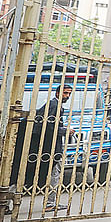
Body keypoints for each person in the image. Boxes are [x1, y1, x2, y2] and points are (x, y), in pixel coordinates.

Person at [34, 84, 74, 213]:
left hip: (46, 146)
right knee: (54, 174)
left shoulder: (54, 105)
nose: (67, 96)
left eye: (69, 94)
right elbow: (50, 127)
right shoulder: (54, 106)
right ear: (57, 93)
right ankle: (50, 203)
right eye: (65, 93)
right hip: (51, 146)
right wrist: (65, 131)